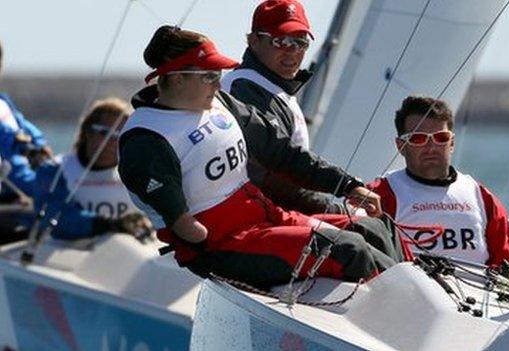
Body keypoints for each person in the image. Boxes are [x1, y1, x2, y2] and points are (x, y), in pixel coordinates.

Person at [118, 25, 404, 288]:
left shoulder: (220, 103)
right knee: (348, 250)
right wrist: (195, 235)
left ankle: (425, 300)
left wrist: (348, 185)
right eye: (209, 76)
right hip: (223, 245)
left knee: (374, 227)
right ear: (177, 78)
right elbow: (185, 227)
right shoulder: (146, 138)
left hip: (265, 217)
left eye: (218, 75)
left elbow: (282, 153)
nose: (218, 84)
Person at [367, 95, 509, 275]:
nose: (431, 147)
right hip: (409, 297)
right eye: (418, 139)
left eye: (440, 137)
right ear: (400, 146)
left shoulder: (480, 196)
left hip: (474, 298)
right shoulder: (381, 193)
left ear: (451, 143)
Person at [221, 0, 342, 215]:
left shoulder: (274, 87)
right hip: (257, 217)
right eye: (282, 41)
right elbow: (268, 176)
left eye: (301, 42)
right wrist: (333, 207)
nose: (293, 52)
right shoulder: (245, 88)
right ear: (254, 40)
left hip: (282, 212)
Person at [31, 98, 152, 241]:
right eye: (104, 132)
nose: (111, 142)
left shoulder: (140, 174)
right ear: (88, 131)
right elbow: (55, 219)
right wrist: (109, 225)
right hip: (64, 255)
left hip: (124, 255)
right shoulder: (54, 170)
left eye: (119, 136)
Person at [0, 39, 53, 238]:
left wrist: (37, 148)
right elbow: (6, 135)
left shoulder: (4, 105)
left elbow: (31, 134)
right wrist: (20, 145)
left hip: (23, 195)